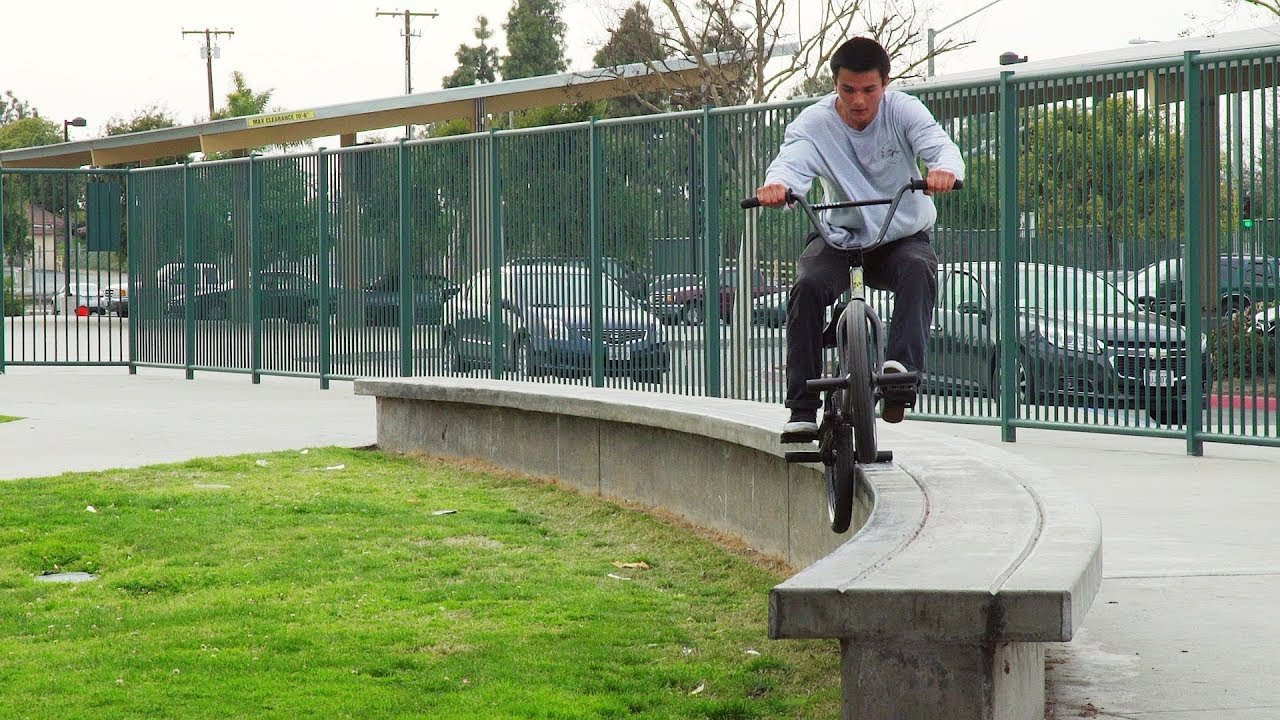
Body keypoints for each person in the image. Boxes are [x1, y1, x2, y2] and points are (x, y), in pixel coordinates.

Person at [753, 36, 965, 435]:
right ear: (835, 85)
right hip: (840, 239)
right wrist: (777, 186)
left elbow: (940, 147)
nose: (859, 102)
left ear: (885, 84)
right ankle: (801, 409)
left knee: (919, 269)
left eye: (869, 90)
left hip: (898, 238)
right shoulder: (814, 124)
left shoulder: (904, 111)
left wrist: (943, 171)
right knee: (807, 286)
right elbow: (791, 162)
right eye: (848, 90)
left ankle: (899, 379)